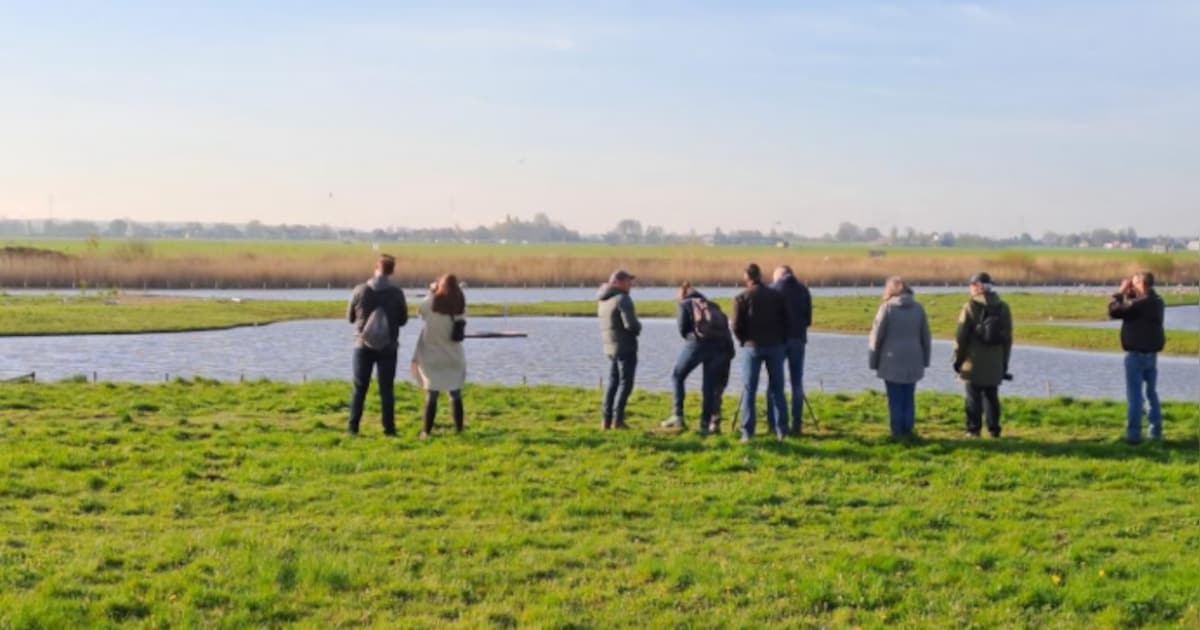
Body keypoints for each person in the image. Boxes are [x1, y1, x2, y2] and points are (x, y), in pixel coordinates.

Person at [661, 282, 736, 434]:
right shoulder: (713, 305)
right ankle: (705, 424)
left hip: (696, 345)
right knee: (708, 387)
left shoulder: (684, 304)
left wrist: (693, 339)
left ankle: (678, 415)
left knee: (677, 376)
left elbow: (683, 329)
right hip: (718, 348)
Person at [347, 254, 409, 436]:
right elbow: (403, 320)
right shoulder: (397, 293)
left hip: (361, 345)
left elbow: (350, 318)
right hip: (388, 347)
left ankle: (353, 428)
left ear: (376, 267)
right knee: (387, 390)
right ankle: (389, 429)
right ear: (392, 271)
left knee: (359, 388)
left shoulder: (359, 290)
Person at [731, 263, 790, 442]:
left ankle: (748, 432)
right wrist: (781, 339)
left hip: (752, 347)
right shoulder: (776, 296)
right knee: (777, 389)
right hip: (775, 346)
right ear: (761, 275)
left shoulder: (741, 297)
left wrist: (742, 340)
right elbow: (786, 320)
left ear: (746, 278)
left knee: (750, 390)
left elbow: (735, 325)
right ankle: (782, 431)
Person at [951, 272, 1013, 438]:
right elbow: (1008, 339)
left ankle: (973, 430)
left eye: (971, 285)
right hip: (995, 360)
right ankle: (994, 430)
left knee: (972, 397)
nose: (969, 289)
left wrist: (957, 360)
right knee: (992, 396)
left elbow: (961, 337)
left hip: (973, 360)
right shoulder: (1004, 307)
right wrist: (1004, 362)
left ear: (977, 286)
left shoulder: (969, 307)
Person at [868, 277, 932, 439]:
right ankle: (908, 430)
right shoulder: (918, 308)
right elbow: (926, 337)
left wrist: (873, 361)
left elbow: (877, 336)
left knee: (894, 397)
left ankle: (896, 431)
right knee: (908, 396)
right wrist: (926, 360)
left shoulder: (887, 308)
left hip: (891, 359)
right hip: (913, 359)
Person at [1108, 271, 1166, 444]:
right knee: (1151, 394)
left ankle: (1133, 436)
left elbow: (1114, 311)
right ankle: (1155, 432)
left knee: (1134, 396)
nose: (1131, 286)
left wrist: (1120, 293)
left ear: (1141, 283)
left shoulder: (1139, 304)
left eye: (1134, 283)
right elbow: (1138, 305)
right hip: (1152, 355)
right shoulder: (1157, 302)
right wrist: (1132, 294)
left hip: (1135, 356)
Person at [412, 274, 468, 440]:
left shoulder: (430, 303)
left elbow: (419, 312)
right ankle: (459, 430)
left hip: (431, 357)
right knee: (455, 394)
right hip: (453, 357)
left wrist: (431, 292)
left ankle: (426, 432)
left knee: (432, 395)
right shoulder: (460, 305)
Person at [769, 265, 813, 436]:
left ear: (779, 276)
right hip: (798, 340)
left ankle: (774, 424)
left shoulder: (773, 290)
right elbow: (808, 319)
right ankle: (797, 424)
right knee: (797, 383)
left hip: (777, 341)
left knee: (774, 383)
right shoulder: (803, 290)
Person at [597, 270, 641, 430]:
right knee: (626, 384)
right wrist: (639, 327)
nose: (631, 284)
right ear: (617, 282)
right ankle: (618, 419)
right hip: (625, 347)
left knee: (612, 383)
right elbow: (632, 325)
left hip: (610, 347)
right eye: (628, 281)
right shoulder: (623, 298)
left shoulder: (603, 299)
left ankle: (605, 420)